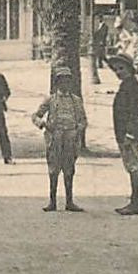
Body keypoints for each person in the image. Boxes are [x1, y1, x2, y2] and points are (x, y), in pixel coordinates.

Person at [32, 66, 88, 212]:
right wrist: (43, 124)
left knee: (69, 170)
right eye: (62, 81)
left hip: (70, 138)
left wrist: (78, 130)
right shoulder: (50, 100)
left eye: (68, 81)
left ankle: (69, 201)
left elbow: (83, 120)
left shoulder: (76, 100)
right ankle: (52, 201)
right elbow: (36, 116)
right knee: (53, 170)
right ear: (57, 83)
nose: (65, 84)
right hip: (55, 138)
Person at [106, 53, 138, 216]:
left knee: (134, 166)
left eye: (121, 68)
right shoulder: (126, 85)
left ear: (130, 69)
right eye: (116, 70)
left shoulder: (132, 86)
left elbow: (135, 112)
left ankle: (136, 202)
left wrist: (130, 132)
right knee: (131, 166)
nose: (118, 72)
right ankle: (134, 200)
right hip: (123, 132)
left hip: (130, 133)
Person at [90, 18, 110, 85]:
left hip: (101, 42)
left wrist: (102, 41)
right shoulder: (99, 25)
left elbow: (104, 35)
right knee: (100, 54)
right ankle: (101, 64)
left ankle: (104, 63)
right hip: (98, 42)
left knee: (101, 54)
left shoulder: (105, 26)